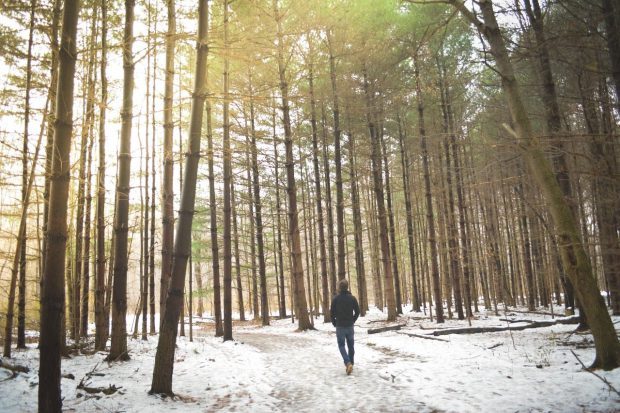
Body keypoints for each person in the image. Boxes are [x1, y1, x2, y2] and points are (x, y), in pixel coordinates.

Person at [330, 278, 360, 375]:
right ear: (347, 287)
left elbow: (331, 313)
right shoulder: (352, 298)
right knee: (351, 346)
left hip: (340, 326)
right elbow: (358, 311)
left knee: (341, 345)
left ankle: (348, 363)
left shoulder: (335, 299)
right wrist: (353, 320)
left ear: (339, 288)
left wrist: (334, 323)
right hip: (350, 326)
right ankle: (351, 363)